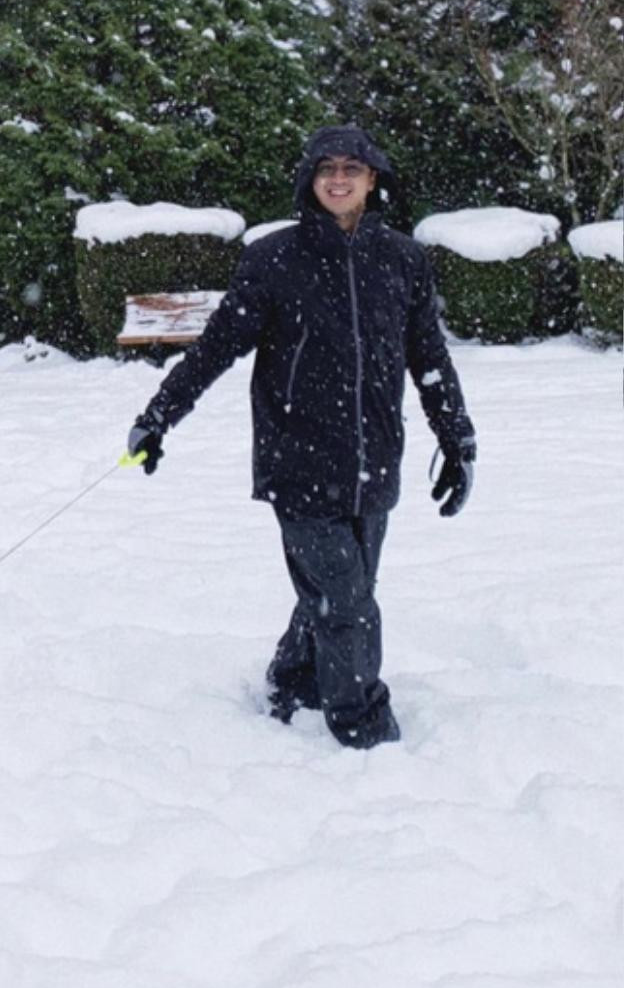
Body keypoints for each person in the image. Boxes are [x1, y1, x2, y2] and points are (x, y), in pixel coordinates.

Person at [124, 125, 477, 750]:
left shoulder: (402, 260)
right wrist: (159, 416)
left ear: (373, 179)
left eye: (351, 168)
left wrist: (458, 439)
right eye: (325, 169)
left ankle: (294, 678)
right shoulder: (273, 260)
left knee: (344, 593)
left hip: (377, 462)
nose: (337, 179)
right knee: (348, 602)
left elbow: (428, 359)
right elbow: (215, 350)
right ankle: (361, 725)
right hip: (299, 463)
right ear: (310, 182)